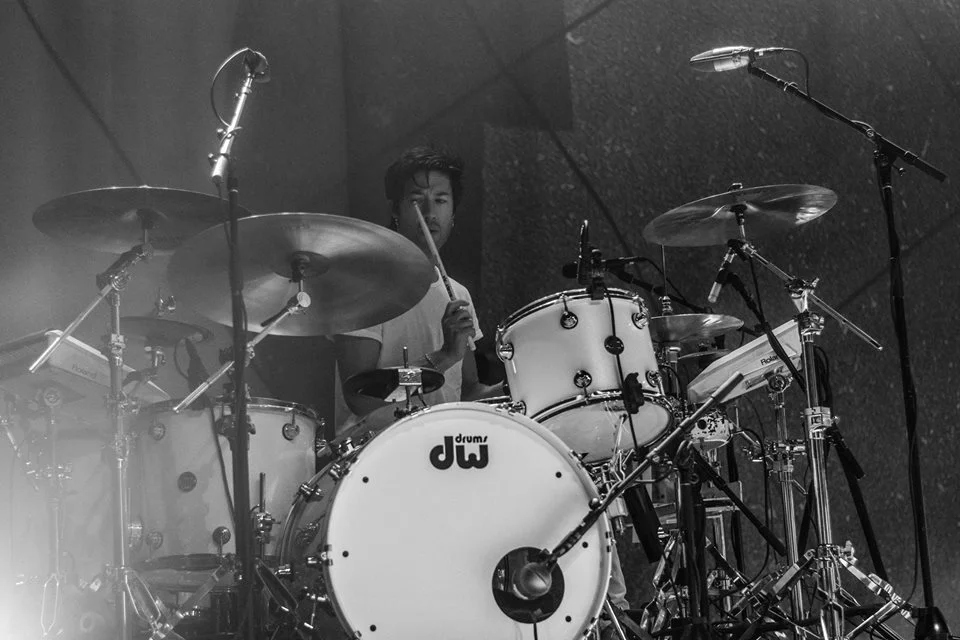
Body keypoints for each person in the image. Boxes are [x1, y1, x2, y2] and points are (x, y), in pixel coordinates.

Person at [332, 145, 500, 436]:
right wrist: (442, 358)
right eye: (416, 200)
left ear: (453, 215)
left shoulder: (458, 294)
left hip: (442, 449)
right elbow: (360, 398)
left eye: (440, 200)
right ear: (395, 210)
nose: (430, 212)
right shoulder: (364, 288)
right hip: (375, 451)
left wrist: (521, 386)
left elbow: (468, 393)